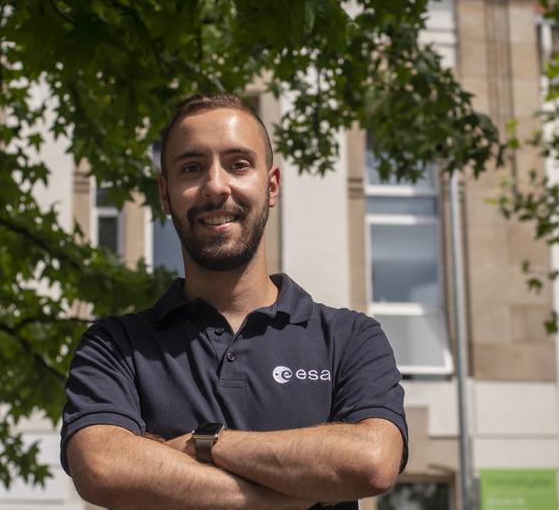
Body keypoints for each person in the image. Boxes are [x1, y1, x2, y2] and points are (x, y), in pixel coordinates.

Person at [60, 93, 407, 509]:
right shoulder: (114, 345)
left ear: (272, 185)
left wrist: (203, 444)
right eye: (192, 168)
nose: (215, 185)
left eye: (238, 164)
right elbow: (102, 465)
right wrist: (284, 492)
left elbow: (371, 460)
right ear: (166, 195)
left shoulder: (350, 337)